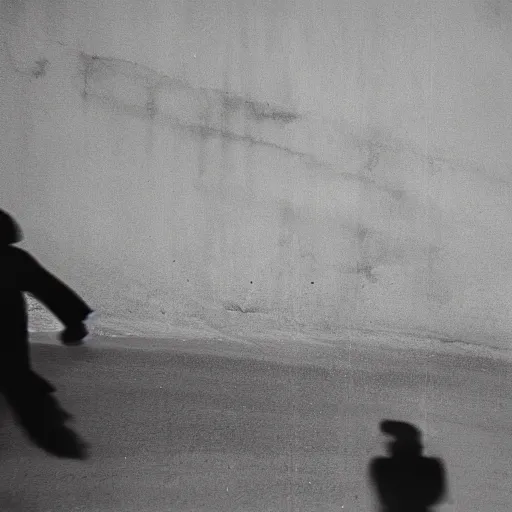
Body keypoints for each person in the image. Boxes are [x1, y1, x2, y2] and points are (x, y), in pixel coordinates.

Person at [0, 209, 94, 459]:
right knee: (16, 379)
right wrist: (75, 323)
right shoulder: (14, 259)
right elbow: (49, 289)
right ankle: (53, 433)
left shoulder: (14, 260)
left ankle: (52, 429)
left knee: (16, 379)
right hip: (8, 334)